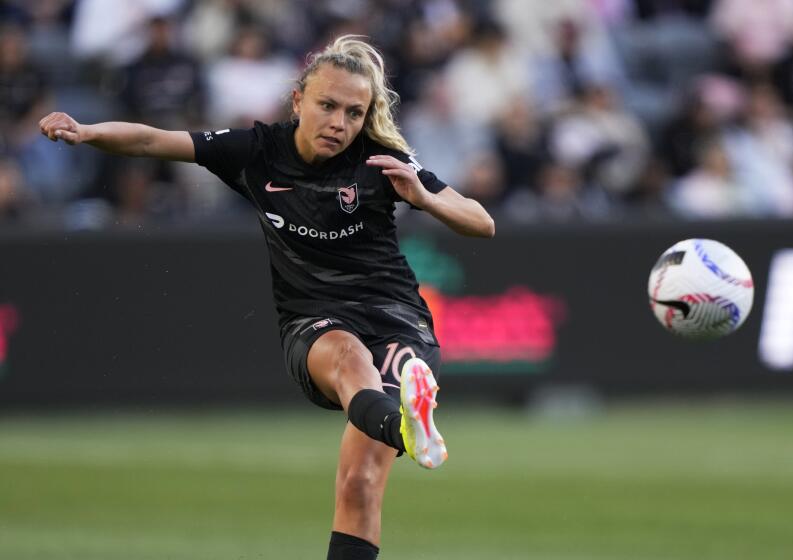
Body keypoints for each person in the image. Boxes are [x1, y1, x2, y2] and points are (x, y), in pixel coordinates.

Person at [38, 35, 495, 559]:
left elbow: (481, 222)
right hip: (313, 320)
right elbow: (149, 141)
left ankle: (405, 426)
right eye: (327, 105)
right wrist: (87, 131)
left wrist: (422, 196)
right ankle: (405, 427)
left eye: (353, 112)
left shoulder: (382, 161)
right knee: (350, 361)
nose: (339, 123)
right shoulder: (257, 152)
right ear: (298, 99)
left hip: (397, 319)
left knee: (359, 485)